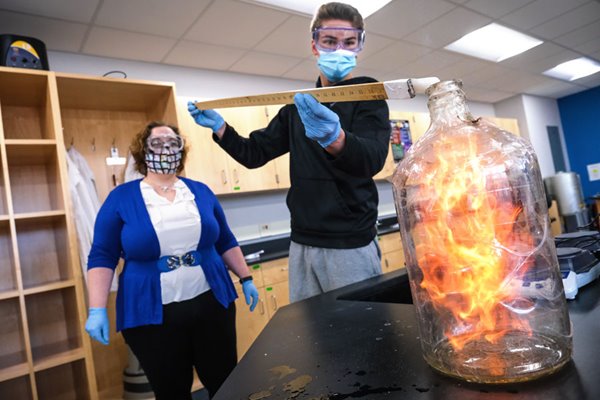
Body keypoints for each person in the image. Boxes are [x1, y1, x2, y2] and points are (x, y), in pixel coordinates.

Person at [188, 2, 390, 302]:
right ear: (314, 45)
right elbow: (253, 154)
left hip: (350, 244)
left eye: (349, 42)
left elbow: (371, 160)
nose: (339, 51)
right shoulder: (297, 107)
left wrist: (337, 138)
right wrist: (221, 129)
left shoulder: (368, 93)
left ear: (360, 45)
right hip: (302, 242)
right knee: (312, 337)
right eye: (329, 41)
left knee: (361, 336)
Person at [84, 121, 259, 399]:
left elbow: (225, 239)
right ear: (143, 151)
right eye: (157, 142)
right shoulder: (121, 198)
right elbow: (102, 256)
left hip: (211, 304)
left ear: (181, 150)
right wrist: (96, 309)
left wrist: (246, 277)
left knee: (226, 382)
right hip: (151, 314)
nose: (166, 148)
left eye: (173, 142)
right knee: (172, 390)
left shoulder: (200, 191)